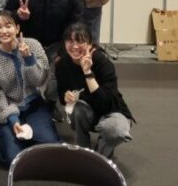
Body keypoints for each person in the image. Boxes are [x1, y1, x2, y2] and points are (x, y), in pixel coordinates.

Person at [5, 0, 83, 104]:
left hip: (58, 45)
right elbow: (7, 16)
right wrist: (18, 15)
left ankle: (54, 104)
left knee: (54, 85)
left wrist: (64, 51)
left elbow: (77, 23)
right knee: (23, 81)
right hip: (28, 44)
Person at [0, 11, 59, 167]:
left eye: (8, 25)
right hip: (9, 109)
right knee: (13, 160)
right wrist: (13, 120)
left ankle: (35, 133)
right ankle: (9, 137)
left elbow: (40, 80)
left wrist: (28, 58)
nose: (4, 31)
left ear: (17, 28)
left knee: (51, 147)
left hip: (34, 105)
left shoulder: (33, 44)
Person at [56, 22, 134, 159]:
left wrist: (87, 72)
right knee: (77, 109)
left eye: (80, 41)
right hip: (86, 111)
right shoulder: (62, 64)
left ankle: (100, 159)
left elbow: (105, 103)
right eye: (70, 41)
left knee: (116, 131)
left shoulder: (102, 62)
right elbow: (62, 92)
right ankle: (83, 152)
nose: (75, 46)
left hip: (111, 111)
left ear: (90, 44)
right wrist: (65, 96)